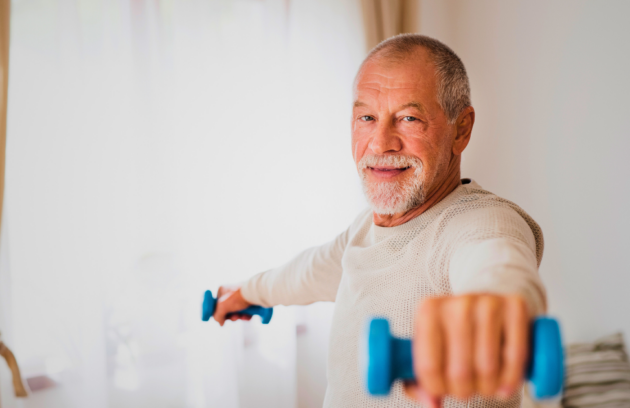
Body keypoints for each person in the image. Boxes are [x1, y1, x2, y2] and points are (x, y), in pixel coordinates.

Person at [213, 34, 546, 408]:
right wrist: (246, 291)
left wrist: (493, 312)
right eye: (367, 118)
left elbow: (498, 262)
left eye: (409, 118)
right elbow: (308, 272)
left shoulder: (481, 221)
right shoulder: (365, 230)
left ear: (461, 129)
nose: (380, 143)